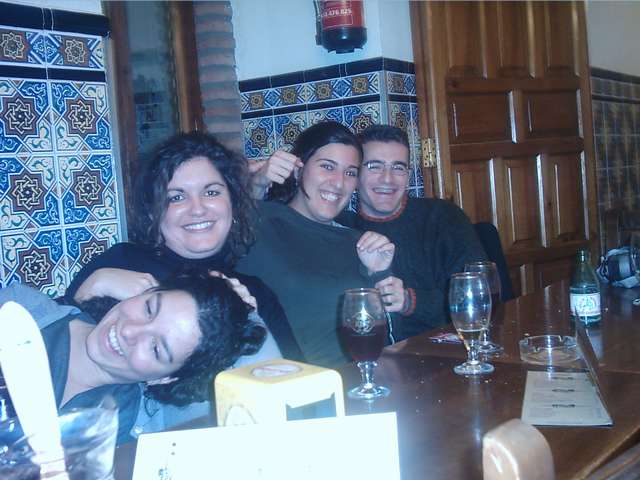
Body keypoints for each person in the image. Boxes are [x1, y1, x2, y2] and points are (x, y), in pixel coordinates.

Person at [64, 132, 303, 362]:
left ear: (233, 201)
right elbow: (54, 349)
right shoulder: (120, 263)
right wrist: (88, 289)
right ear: (153, 212)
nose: (197, 209)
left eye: (211, 192)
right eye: (176, 197)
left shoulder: (255, 293)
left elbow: (296, 380)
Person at [0, 274, 268, 445]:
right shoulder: (18, 310)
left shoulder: (135, 437)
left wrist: (251, 318)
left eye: (156, 348)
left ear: (166, 378)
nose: (129, 331)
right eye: (149, 308)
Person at [239, 121, 405, 367]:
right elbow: (222, 225)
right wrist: (256, 183)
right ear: (298, 170)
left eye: (350, 173)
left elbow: (388, 334)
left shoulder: (358, 242)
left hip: (364, 376)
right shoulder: (262, 221)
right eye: (327, 167)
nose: (338, 183)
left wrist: (380, 274)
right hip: (295, 382)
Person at [337, 124, 487, 340]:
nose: (387, 179)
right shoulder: (340, 229)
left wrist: (409, 301)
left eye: (398, 168)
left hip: (446, 349)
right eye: (374, 166)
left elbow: (477, 297)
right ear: (356, 174)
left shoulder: (444, 217)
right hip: (371, 353)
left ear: (408, 175)